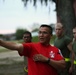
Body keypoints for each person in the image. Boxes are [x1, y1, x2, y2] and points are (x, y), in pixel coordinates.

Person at [0, 24, 66, 75]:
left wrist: (47, 60)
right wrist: (1, 43)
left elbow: (63, 65)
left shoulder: (55, 49)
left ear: (51, 36)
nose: (41, 35)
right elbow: (16, 46)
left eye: (44, 33)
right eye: (39, 32)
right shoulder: (32, 46)